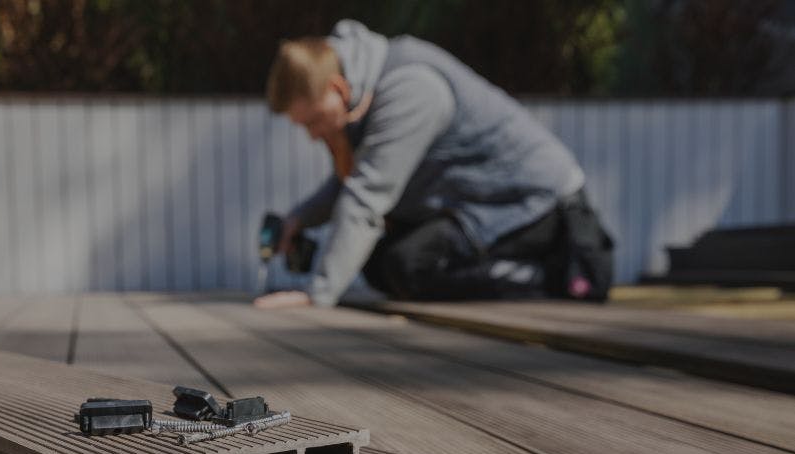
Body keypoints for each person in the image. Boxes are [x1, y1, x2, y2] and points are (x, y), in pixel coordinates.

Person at [254, 20, 614, 309]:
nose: (313, 135)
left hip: (532, 202)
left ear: (338, 88)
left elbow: (367, 195)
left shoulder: (409, 89)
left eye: (313, 121)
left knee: (407, 266)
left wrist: (317, 296)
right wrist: (297, 220)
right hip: (475, 205)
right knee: (379, 264)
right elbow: (350, 184)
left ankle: (554, 276)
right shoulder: (364, 93)